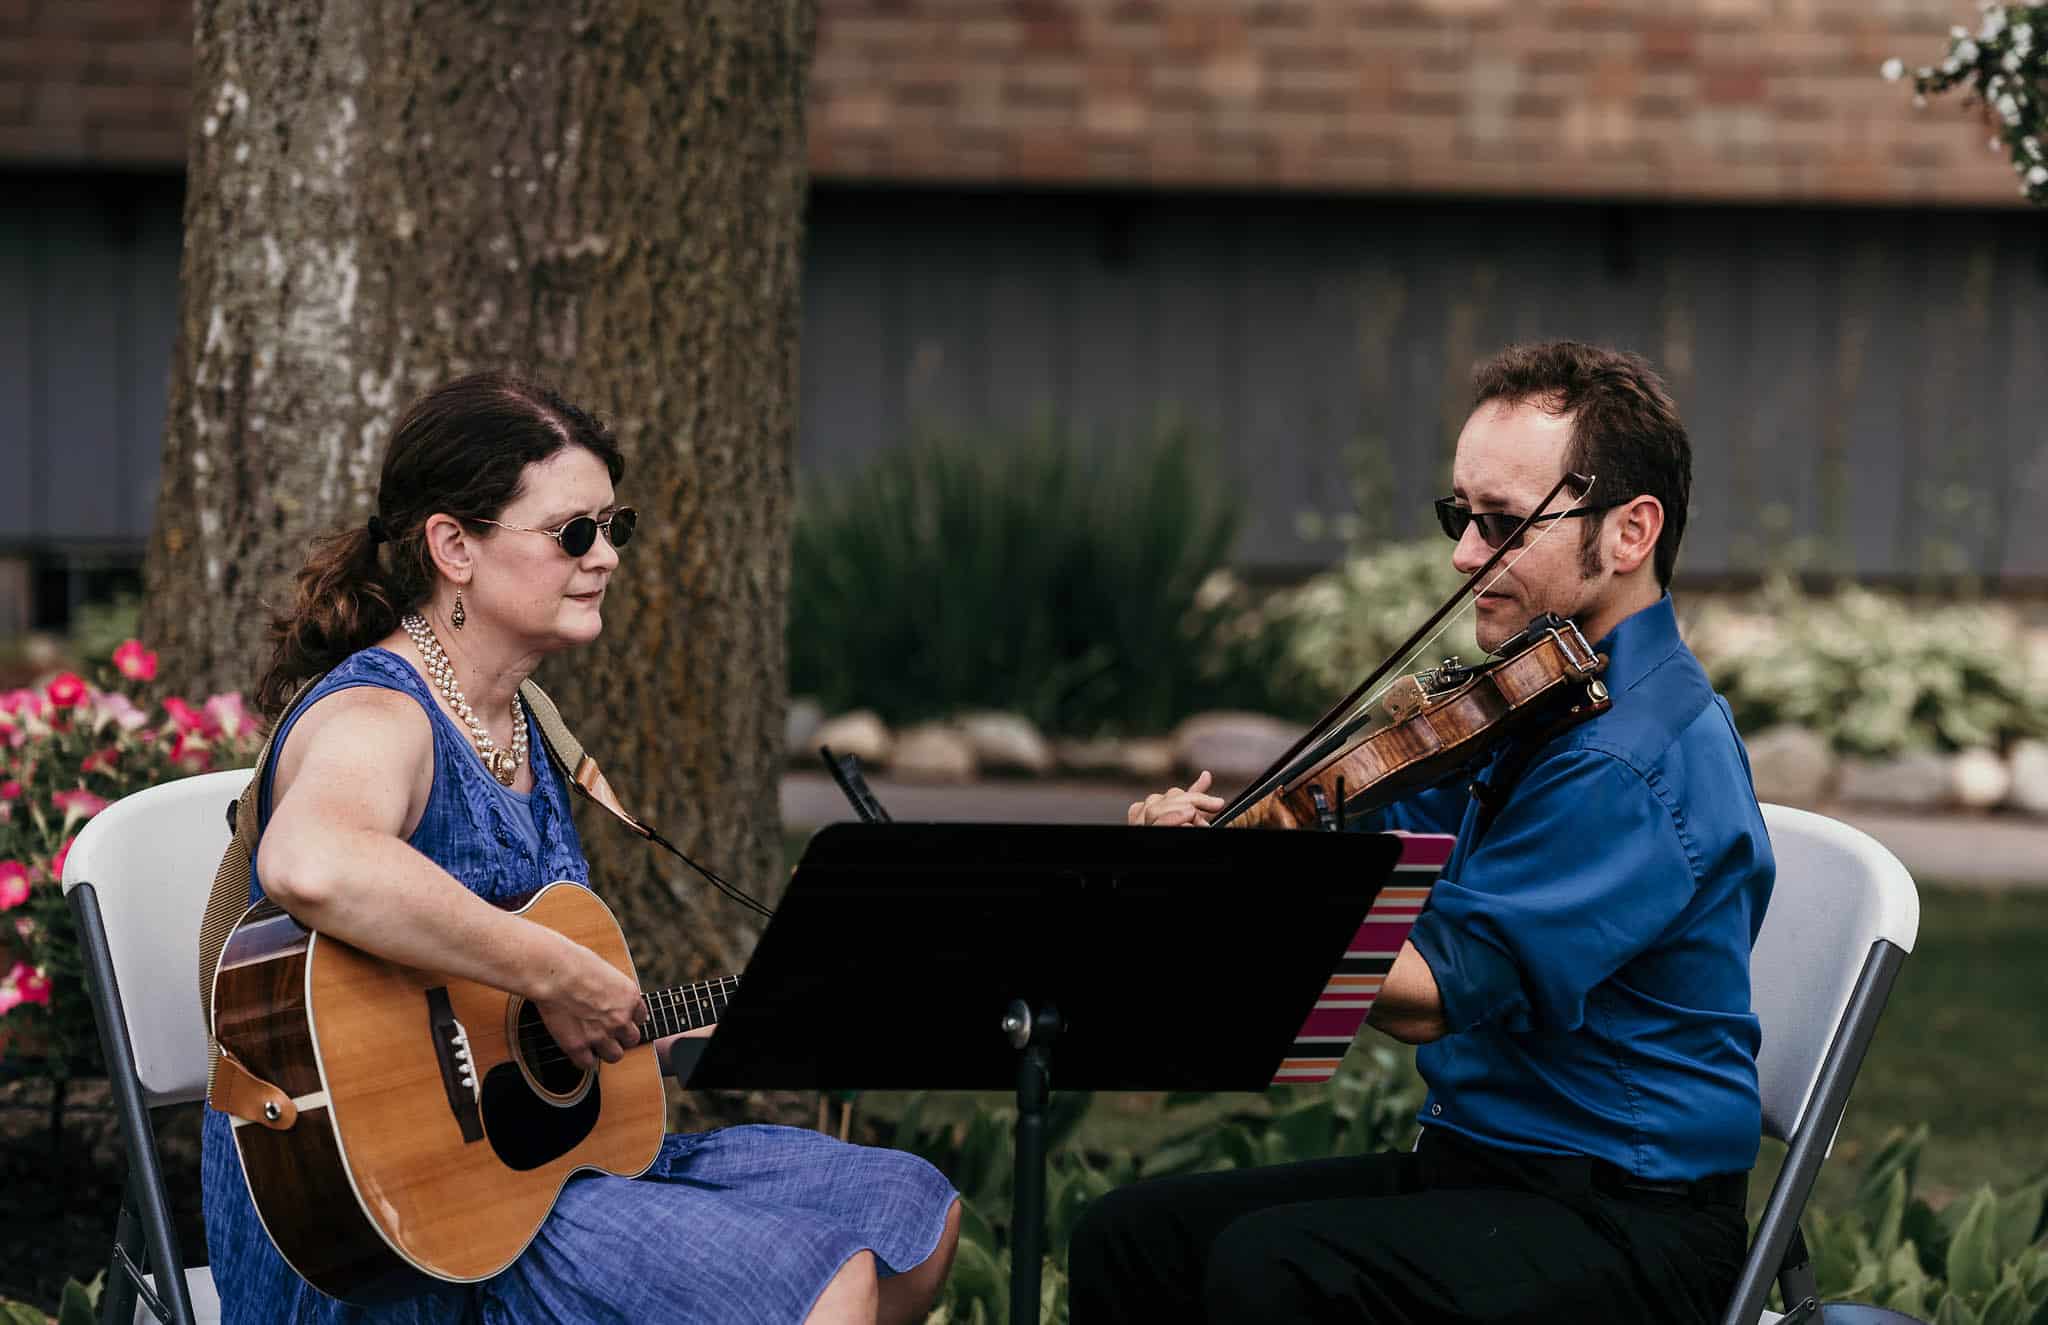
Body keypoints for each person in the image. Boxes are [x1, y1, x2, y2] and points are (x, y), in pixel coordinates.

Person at [202, 371, 962, 1324]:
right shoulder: (377, 715)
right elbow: (313, 861)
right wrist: (557, 971)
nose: (605, 556)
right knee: (821, 1281)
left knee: (912, 1217)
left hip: (534, 1172)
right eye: (572, 532)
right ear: (454, 546)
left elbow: (532, 1025)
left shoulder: (526, 726)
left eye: (615, 527)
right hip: (387, 1228)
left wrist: (700, 1018)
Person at [1073, 341, 1774, 1323]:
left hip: (1625, 1219)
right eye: (1458, 516)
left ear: (1628, 532)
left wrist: (1234, 892)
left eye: (1501, 523)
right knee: (1133, 1234)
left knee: (1276, 1269)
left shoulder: (1630, 756)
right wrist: (1227, 846)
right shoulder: (1536, 702)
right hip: (1488, 1171)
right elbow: (1370, 855)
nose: (1460, 555)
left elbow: (1426, 991)